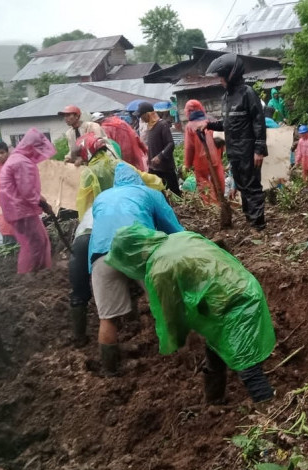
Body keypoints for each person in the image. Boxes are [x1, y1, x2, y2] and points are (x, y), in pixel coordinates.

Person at [106, 224, 276, 404]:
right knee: (215, 348)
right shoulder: (182, 237)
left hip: (234, 306)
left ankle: (269, 411)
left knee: (246, 363)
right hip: (241, 290)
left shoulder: (160, 268)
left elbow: (170, 312)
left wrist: (176, 340)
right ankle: (214, 401)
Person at [68, 135, 164, 347]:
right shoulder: (122, 166)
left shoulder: (89, 173)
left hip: (91, 233)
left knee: (83, 291)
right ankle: (152, 331)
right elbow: (154, 182)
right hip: (128, 232)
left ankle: (80, 339)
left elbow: (83, 206)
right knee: (141, 281)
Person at [89, 163, 184, 375]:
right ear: (137, 180)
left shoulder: (101, 198)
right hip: (139, 248)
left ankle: (110, 371)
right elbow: (174, 229)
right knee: (164, 304)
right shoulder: (149, 193)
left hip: (102, 255)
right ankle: (178, 357)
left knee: (108, 318)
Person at [207, 53, 268, 230]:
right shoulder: (226, 97)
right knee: (241, 186)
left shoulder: (247, 93)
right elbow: (227, 124)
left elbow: (259, 122)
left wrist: (259, 149)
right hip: (234, 151)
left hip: (249, 150)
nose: (219, 81)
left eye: (221, 76)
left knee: (252, 187)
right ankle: (250, 220)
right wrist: (209, 124)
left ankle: (258, 225)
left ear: (230, 74)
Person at [0, 129, 55, 274]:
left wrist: (40, 200)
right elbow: (28, 191)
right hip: (21, 210)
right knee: (36, 243)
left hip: (15, 208)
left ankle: (35, 273)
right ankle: (34, 274)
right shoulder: (22, 162)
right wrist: (43, 203)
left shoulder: (16, 158)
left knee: (33, 242)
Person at [183, 99, 225, 205]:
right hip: (215, 158)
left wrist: (187, 165)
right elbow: (221, 140)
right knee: (219, 181)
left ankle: (211, 205)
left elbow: (189, 148)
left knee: (204, 183)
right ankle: (221, 201)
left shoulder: (190, 126)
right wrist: (220, 155)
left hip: (200, 162)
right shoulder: (211, 121)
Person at [137, 101, 181, 196]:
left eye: (141, 116)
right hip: (154, 168)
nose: (141, 118)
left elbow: (170, 144)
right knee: (159, 193)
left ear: (147, 114)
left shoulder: (162, 125)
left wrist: (160, 156)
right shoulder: (150, 127)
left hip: (165, 168)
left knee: (174, 193)